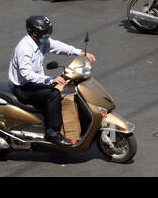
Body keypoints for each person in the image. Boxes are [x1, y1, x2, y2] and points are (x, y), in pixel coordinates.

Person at [8, 15, 94, 145]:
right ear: (35, 33)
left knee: (67, 87)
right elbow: (27, 74)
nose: (48, 36)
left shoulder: (40, 41)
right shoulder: (25, 49)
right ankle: (52, 133)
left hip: (35, 82)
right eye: (45, 33)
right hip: (24, 87)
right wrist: (51, 79)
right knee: (53, 95)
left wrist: (80, 53)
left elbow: (58, 46)